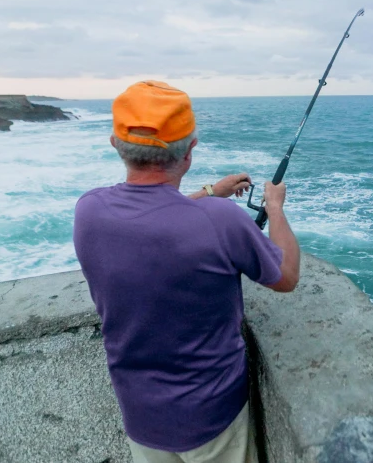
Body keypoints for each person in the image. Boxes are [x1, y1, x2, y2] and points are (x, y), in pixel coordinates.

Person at [73, 80, 300, 463]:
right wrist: (275, 207)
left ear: (116, 143)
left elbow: (156, 217)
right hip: (213, 417)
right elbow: (286, 276)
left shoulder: (89, 211)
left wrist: (210, 192)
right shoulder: (220, 222)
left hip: (140, 413)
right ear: (190, 149)